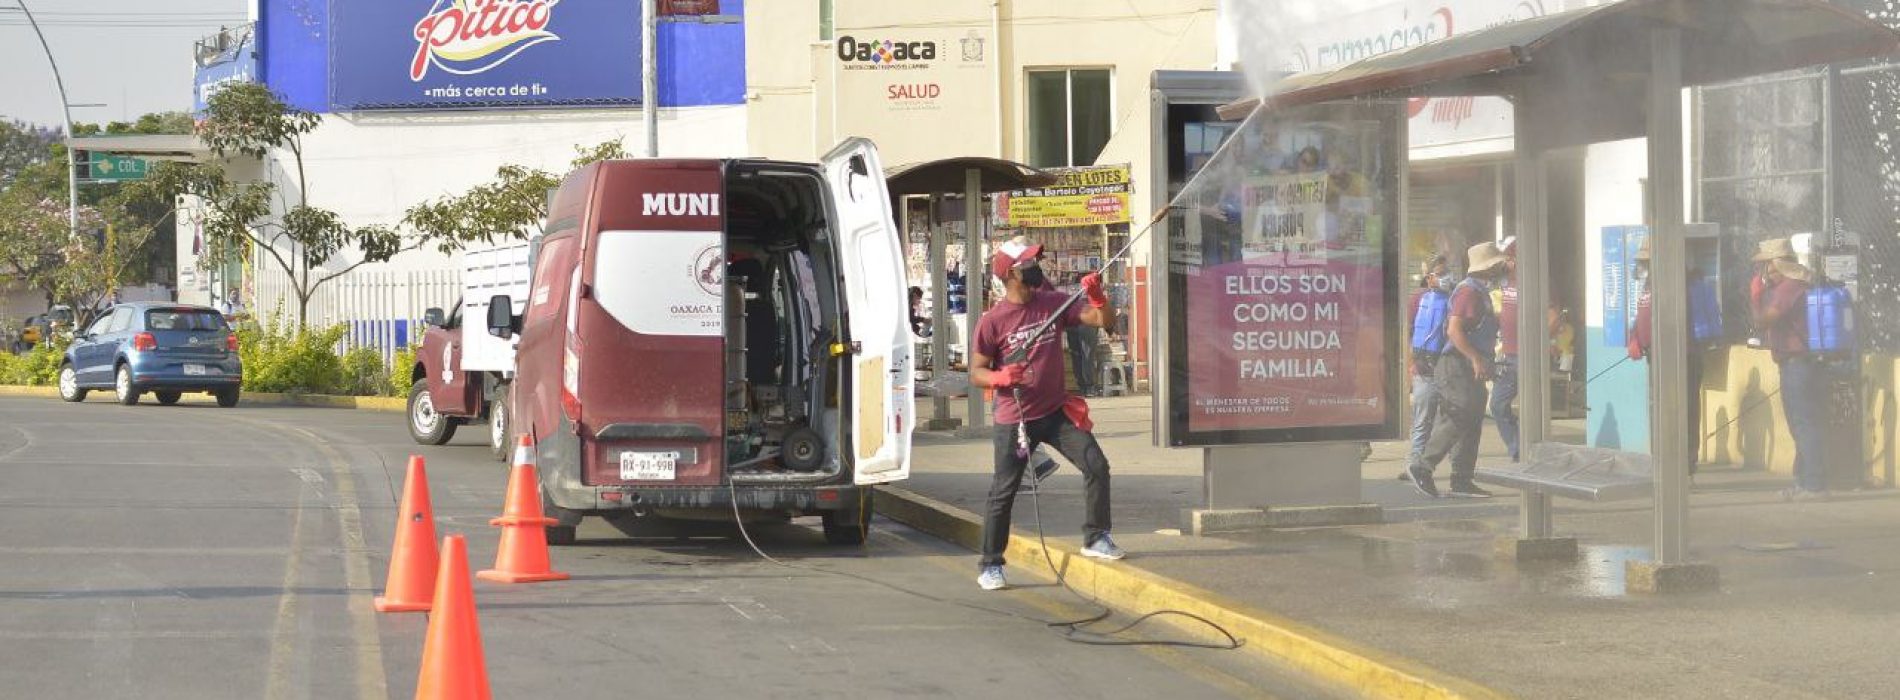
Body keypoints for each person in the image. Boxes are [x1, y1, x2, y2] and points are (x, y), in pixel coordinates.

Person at [969, 238, 1120, 591]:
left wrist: (1098, 296)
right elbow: (976, 372)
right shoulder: (992, 322)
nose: (1037, 267)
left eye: (1036, 261)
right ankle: (991, 564)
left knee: (1096, 465)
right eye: (1028, 264)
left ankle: (1096, 537)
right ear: (1010, 274)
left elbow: (1103, 320)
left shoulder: (1053, 303)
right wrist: (999, 376)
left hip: (1055, 412)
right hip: (1015, 419)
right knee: (1003, 491)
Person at [1407, 242, 1507, 499]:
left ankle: (1462, 478)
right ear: (1488, 267)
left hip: (1471, 365)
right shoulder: (1468, 293)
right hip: (1456, 365)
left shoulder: (1479, 291)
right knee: (1458, 414)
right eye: (1497, 264)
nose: (1501, 268)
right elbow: (1454, 330)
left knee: (1473, 419)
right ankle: (1422, 465)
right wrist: (1475, 358)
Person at [1750, 239, 1828, 501]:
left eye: (1766, 265)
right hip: (1794, 363)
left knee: (1804, 424)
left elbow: (1764, 320)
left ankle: (1814, 485)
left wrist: (1755, 298)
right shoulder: (1790, 287)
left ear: (1777, 264)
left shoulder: (1788, 288)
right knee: (1799, 424)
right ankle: (1803, 481)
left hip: (1798, 364)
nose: (1763, 271)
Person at [1627, 237, 1708, 475]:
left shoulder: (1678, 282)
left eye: (1649, 261)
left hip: (1682, 357)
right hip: (1657, 356)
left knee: (1683, 411)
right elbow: (1643, 314)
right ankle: (1663, 463)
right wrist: (1636, 337)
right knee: (1661, 410)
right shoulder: (1651, 283)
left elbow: (1672, 321)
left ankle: (1685, 466)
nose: (1646, 266)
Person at [1399, 253, 1451, 482]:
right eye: (1440, 274)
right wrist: (1410, 364)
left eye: (1447, 273)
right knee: (1422, 421)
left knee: (1449, 422)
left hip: (1448, 369)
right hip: (1424, 368)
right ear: (1428, 277)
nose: (1446, 278)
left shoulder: (1454, 298)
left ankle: (1442, 468)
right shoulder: (1417, 300)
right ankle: (1414, 465)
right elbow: (1408, 333)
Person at [1490, 237, 1521, 462]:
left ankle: (1522, 448)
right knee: (1498, 405)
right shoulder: (1507, 283)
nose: (1506, 263)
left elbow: (1553, 317)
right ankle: (1518, 447)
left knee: (1504, 404)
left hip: (1524, 356)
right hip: (1507, 355)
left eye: (1509, 258)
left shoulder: (1534, 282)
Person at [1064, 273, 1101, 397]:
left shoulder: (1070, 290)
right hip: (1087, 322)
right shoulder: (1091, 289)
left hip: (1071, 322)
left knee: (1076, 355)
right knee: (1087, 355)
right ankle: (1089, 387)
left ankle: (1082, 386)